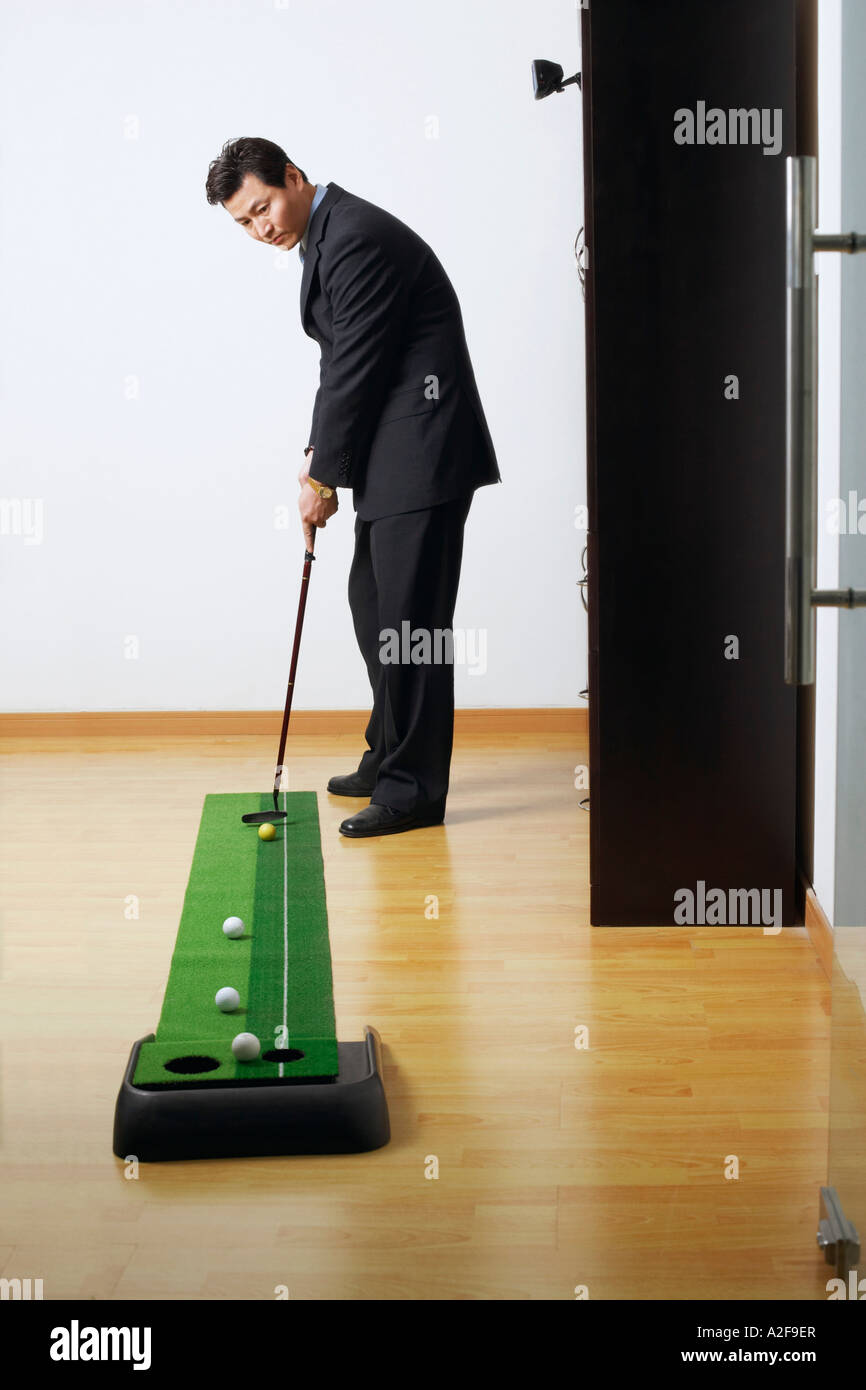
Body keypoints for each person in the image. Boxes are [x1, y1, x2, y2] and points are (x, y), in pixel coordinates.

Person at [205, 137, 500, 837]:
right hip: (394, 451)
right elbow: (342, 360)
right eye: (245, 223)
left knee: (411, 626)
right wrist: (320, 455)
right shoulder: (326, 238)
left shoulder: (355, 237)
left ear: (294, 178)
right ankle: (388, 753)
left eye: (264, 207)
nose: (262, 228)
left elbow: (355, 370)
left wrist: (320, 479)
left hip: (423, 447)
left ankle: (413, 791)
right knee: (375, 604)